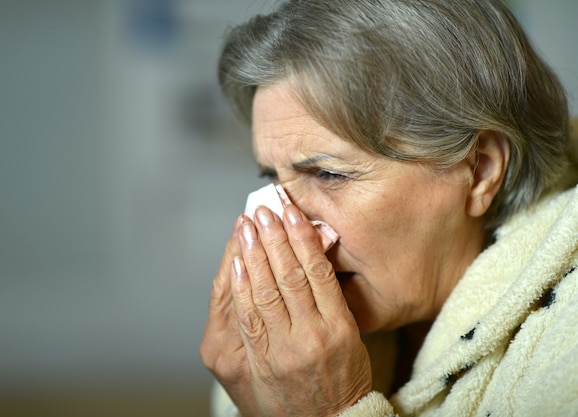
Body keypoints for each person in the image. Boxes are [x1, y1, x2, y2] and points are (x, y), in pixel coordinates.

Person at [200, 0, 578, 415]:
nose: (296, 233)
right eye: (271, 179)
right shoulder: (286, 358)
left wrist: (329, 409)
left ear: (480, 169)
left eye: (329, 175)